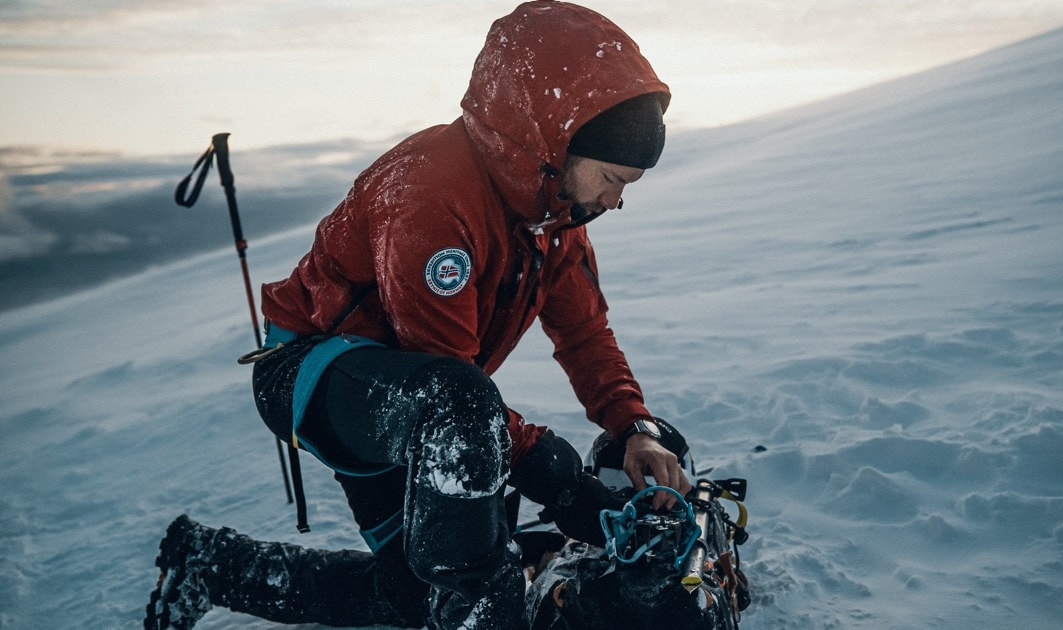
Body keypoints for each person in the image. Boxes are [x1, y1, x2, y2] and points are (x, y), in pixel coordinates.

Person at [144, 2, 691, 629]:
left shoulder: (554, 217)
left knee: (410, 597)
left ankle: (207, 566)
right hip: (317, 374)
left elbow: (584, 332)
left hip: (421, 398)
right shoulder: (431, 197)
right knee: (463, 457)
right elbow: (453, 387)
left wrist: (633, 425)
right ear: (556, 140)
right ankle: (483, 612)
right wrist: (562, 483)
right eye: (612, 178)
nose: (614, 201)